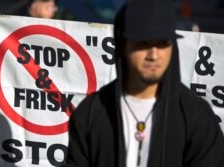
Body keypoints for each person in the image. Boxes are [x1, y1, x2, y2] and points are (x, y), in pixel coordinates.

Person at [65, 0, 224, 167]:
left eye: (162, 43)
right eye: (143, 43)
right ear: (123, 45)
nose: (153, 55)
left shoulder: (196, 117)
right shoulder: (91, 113)